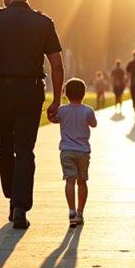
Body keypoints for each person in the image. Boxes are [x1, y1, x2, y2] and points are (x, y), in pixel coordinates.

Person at [0, 0, 63, 230]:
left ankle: (12, 198)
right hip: (30, 92)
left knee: (4, 148)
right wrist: (57, 100)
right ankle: (20, 207)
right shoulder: (44, 23)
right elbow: (57, 65)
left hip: (1, 92)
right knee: (25, 149)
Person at [57, 78, 97, 228]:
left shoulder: (62, 110)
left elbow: (54, 119)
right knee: (82, 181)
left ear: (66, 94)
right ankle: (80, 212)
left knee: (70, 180)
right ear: (84, 93)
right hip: (83, 152)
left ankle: (71, 211)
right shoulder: (87, 110)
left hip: (67, 150)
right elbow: (94, 124)